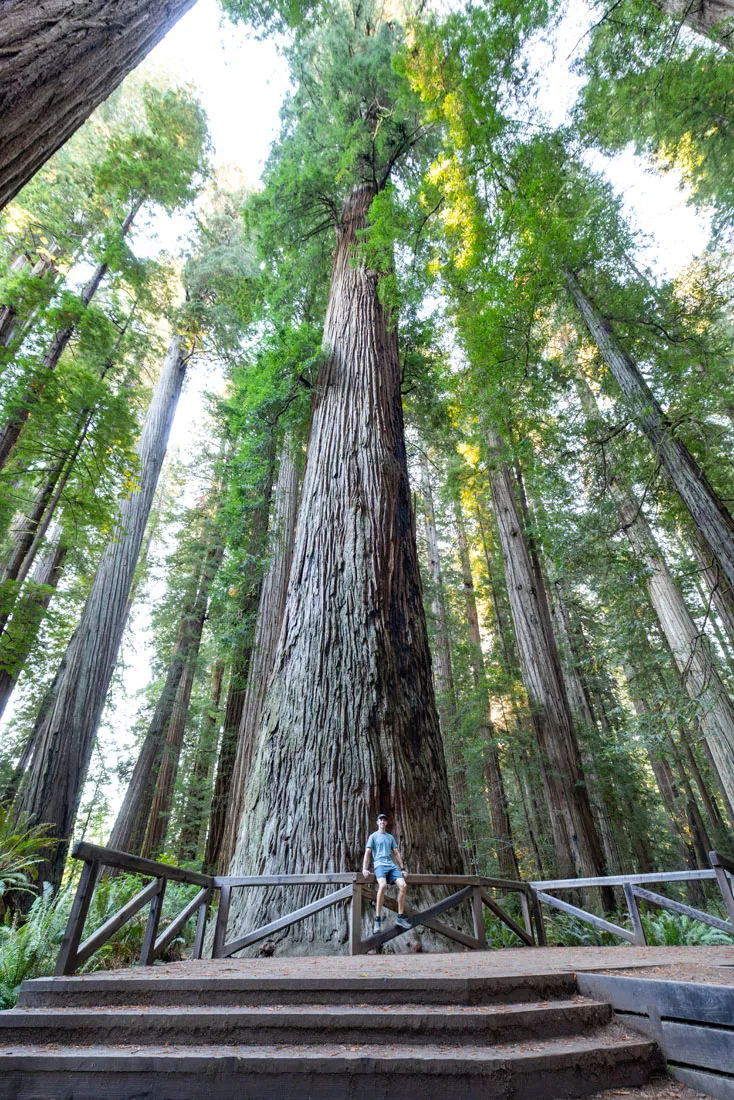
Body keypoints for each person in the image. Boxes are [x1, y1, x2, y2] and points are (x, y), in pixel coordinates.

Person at [362, 812, 410, 935]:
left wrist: (403, 868)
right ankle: (377, 919)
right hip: (379, 865)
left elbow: (396, 853)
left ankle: (400, 916)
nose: (382, 822)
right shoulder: (373, 836)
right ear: (377, 822)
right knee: (382, 886)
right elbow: (367, 853)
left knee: (403, 886)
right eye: (380, 820)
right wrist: (364, 869)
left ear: (386, 823)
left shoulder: (390, 837)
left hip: (391, 866)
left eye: (384, 820)